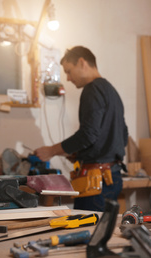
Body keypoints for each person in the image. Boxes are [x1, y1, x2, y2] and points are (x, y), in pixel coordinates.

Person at [34, 46, 128, 212]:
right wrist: (80, 154)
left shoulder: (92, 90)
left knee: (88, 234)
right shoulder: (110, 91)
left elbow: (88, 134)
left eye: (69, 71)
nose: (68, 78)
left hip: (96, 182)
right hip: (112, 177)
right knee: (102, 233)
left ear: (82, 63)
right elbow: (123, 135)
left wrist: (52, 150)